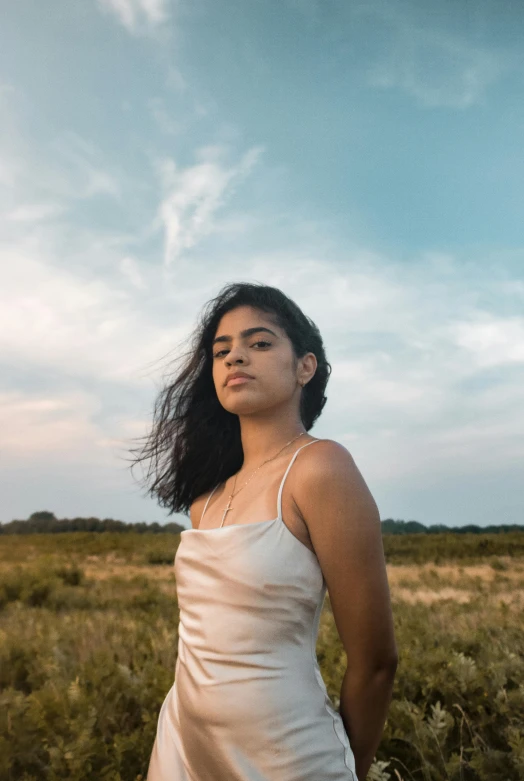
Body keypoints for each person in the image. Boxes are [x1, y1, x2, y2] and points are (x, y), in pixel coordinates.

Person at [131, 282, 398, 781]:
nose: (235, 358)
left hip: (286, 754)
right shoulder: (205, 500)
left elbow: (377, 660)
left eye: (259, 343)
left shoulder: (319, 468)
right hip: (184, 747)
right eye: (221, 350)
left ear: (305, 367)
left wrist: (348, 770)